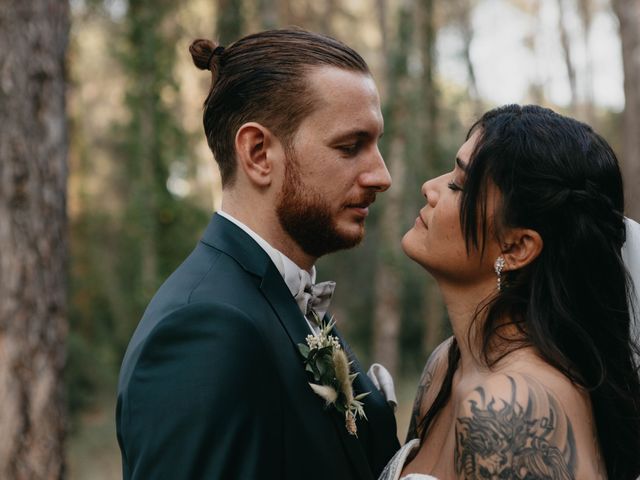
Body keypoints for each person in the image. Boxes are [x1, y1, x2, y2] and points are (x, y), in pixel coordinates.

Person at [116, 28, 400, 480]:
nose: (380, 175)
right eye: (351, 146)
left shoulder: (285, 298)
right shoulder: (205, 332)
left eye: (377, 144)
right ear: (258, 152)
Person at [379, 105, 640, 480]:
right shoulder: (446, 364)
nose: (430, 187)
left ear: (517, 248)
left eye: (457, 185)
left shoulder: (516, 408)